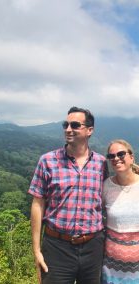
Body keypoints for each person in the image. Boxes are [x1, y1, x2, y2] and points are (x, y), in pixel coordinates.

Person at [28, 106, 108, 284]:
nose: (68, 129)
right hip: (57, 247)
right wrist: (36, 251)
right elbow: (37, 204)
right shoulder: (48, 161)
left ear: (89, 130)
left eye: (74, 125)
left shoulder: (101, 163)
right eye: (66, 125)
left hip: (93, 246)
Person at [102, 139, 139, 284]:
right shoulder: (106, 186)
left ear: (131, 157)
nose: (116, 158)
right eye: (111, 156)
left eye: (121, 154)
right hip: (111, 268)